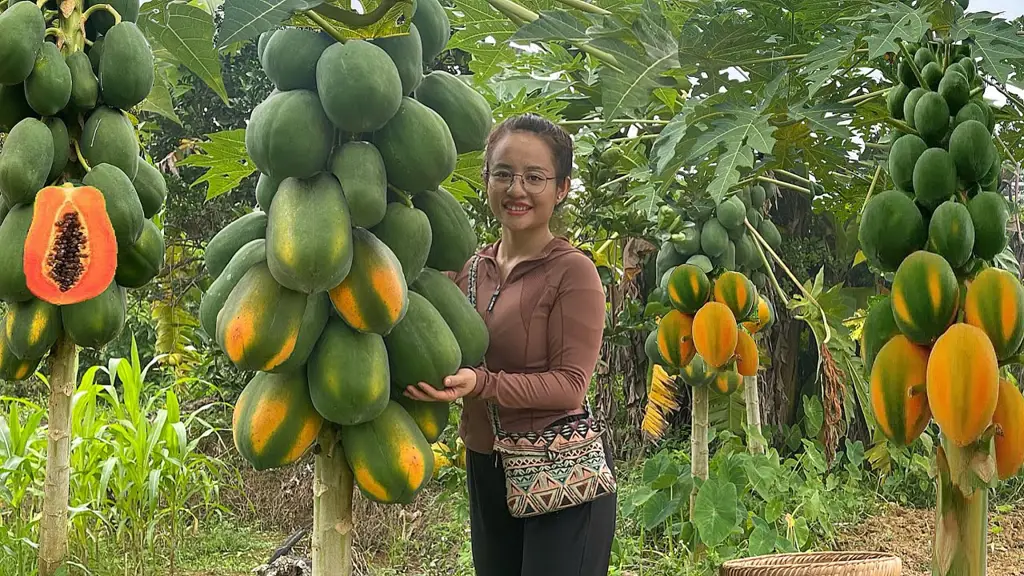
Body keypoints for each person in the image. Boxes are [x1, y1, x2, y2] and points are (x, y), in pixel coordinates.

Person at [403, 113, 617, 576]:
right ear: (486, 181)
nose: (516, 189)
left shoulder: (573, 271)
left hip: (558, 473)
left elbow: (569, 386)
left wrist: (481, 384)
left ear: (560, 189)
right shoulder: (470, 269)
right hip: (487, 466)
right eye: (503, 174)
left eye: (534, 177)